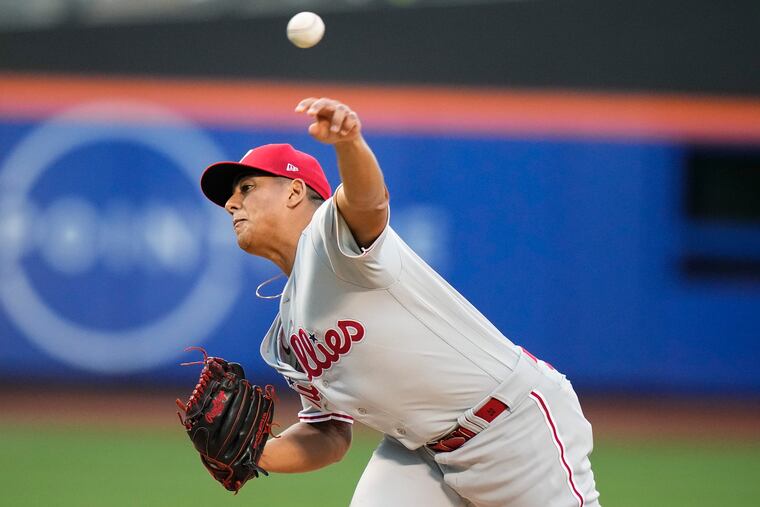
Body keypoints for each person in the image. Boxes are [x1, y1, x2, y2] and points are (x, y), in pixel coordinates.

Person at [199, 97, 601, 507]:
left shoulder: (330, 239)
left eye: (246, 188)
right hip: (420, 451)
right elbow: (329, 434)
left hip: (512, 427)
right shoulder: (288, 332)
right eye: (232, 196)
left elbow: (368, 203)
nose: (232, 203)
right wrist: (255, 452)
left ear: (295, 192)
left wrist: (349, 142)